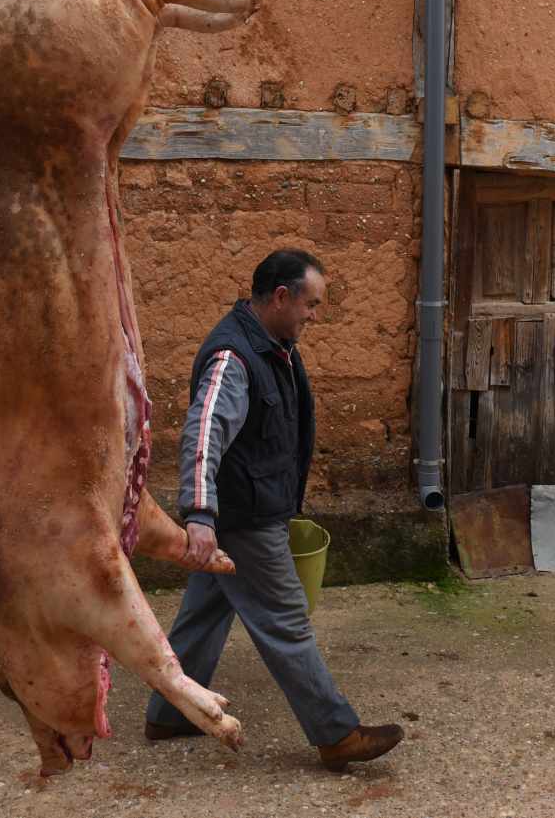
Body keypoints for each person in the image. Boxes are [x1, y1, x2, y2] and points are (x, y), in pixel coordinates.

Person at [144, 249, 404, 772]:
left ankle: (171, 713)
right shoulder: (234, 357)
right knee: (286, 621)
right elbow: (203, 433)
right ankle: (335, 734)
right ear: (281, 297)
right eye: (311, 304)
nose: (315, 315)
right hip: (244, 518)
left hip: (252, 509)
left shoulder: (274, 344)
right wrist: (198, 513)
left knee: (205, 613)